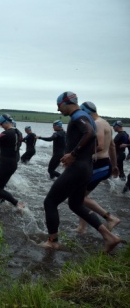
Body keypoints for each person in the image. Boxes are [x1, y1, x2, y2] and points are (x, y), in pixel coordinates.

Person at [40, 92, 120, 253]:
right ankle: (109, 237)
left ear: (66, 102)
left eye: (59, 105)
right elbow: (94, 140)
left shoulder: (78, 116)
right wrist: (75, 154)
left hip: (78, 168)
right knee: (75, 204)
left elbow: (89, 133)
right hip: (86, 167)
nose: (58, 109)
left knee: (50, 202)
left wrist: (73, 154)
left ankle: (53, 241)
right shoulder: (87, 116)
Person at [75, 101, 120, 233]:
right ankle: (82, 227)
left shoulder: (98, 124)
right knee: (81, 198)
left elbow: (99, 145)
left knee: (78, 198)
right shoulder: (106, 123)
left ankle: (110, 218)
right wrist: (115, 165)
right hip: (103, 165)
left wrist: (75, 155)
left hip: (98, 165)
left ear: (85, 112)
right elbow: (111, 146)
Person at [0, 114, 25, 208]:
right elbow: (11, 146)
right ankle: (0, 204)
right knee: (1, 186)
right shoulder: (19, 133)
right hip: (13, 163)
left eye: (1, 124)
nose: (1, 126)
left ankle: (16, 203)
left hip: (6, 164)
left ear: (6, 123)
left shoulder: (5, 133)